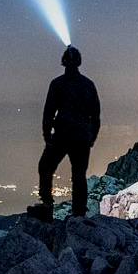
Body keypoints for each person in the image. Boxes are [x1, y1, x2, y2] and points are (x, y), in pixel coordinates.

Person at [35, 45, 101, 219]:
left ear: (63, 62)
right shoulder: (88, 84)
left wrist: (47, 134)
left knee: (45, 167)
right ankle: (78, 212)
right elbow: (96, 114)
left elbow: (49, 111)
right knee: (79, 175)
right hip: (82, 136)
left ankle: (46, 205)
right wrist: (92, 137)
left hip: (62, 134)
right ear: (79, 62)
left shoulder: (58, 83)